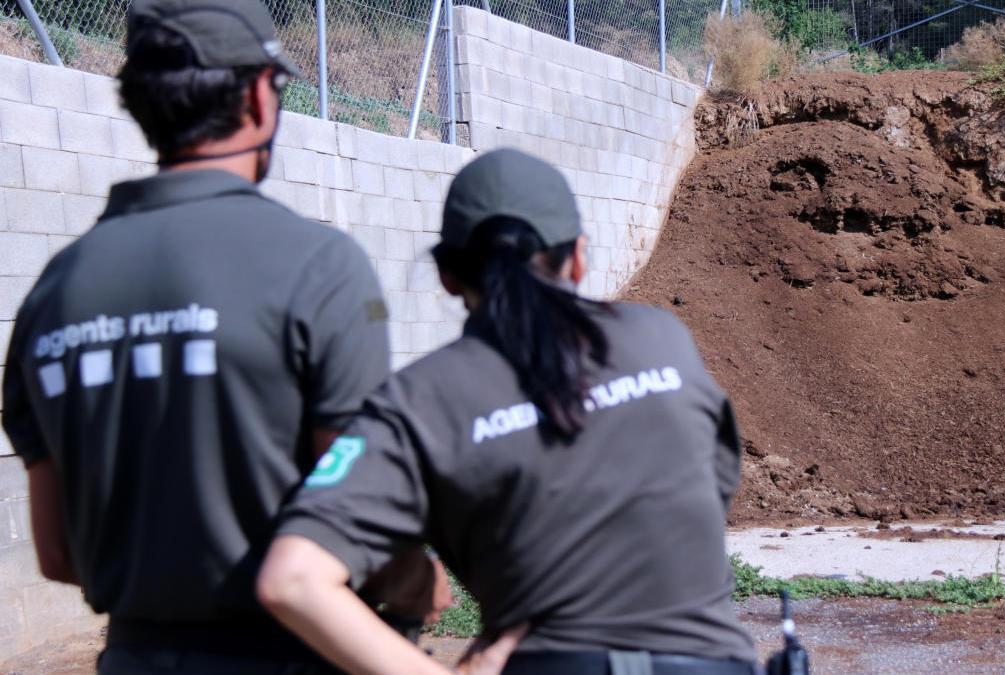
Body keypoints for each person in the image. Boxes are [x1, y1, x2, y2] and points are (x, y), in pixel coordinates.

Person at [1, 0, 455, 671]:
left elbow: (59, 553)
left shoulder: (53, 293)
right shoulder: (318, 267)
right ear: (256, 97)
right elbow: (364, 521)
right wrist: (418, 581)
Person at [257, 149, 759, 675]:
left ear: (448, 276)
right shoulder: (663, 341)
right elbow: (712, 486)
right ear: (579, 257)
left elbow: (293, 579)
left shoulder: (418, 400)